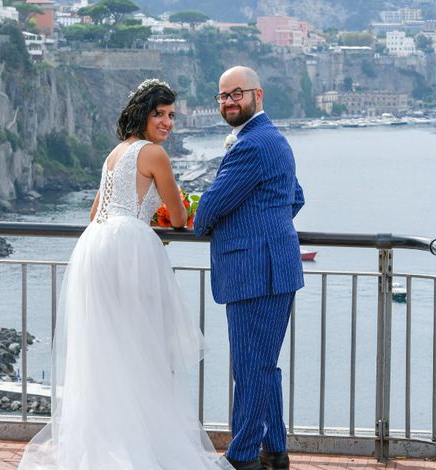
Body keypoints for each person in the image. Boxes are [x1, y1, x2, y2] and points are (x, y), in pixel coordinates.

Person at [19, 79, 229, 470]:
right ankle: (142, 447)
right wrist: (164, 214)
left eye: (170, 116)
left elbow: (94, 211)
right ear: (143, 114)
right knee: (141, 347)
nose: (167, 123)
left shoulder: (115, 154)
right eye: (160, 114)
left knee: (107, 349)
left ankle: (107, 447)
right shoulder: (154, 155)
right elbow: (180, 217)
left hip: (94, 246)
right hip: (129, 246)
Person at [193, 66, 305, 470]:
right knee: (263, 366)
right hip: (274, 266)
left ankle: (240, 458)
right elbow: (296, 198)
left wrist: (214, 224)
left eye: (236, 94)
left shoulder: (250, 145)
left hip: (253, 272)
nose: (228, 102)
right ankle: (274, 451)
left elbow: (208, 209)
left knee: (250, 368)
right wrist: (265, 225)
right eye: (222, 96)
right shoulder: (274, 139)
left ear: (257, 94)